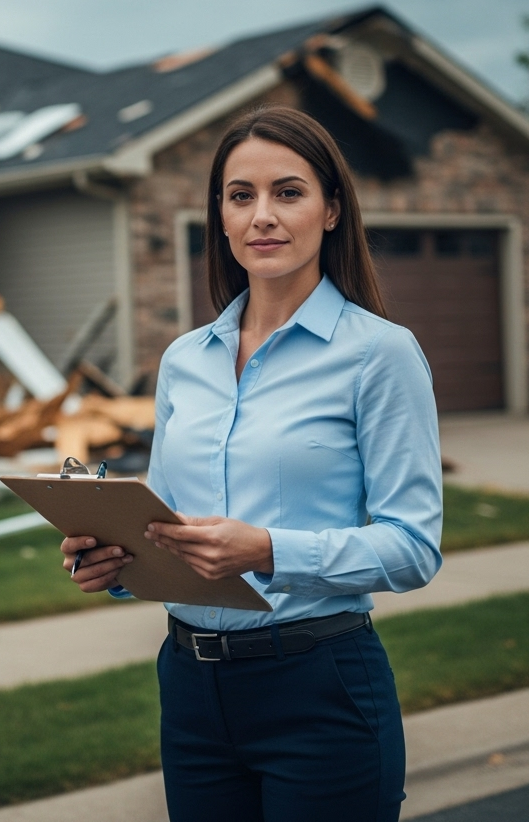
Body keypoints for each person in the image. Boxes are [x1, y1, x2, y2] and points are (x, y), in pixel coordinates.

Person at [61, 105, 442, 822]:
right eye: (242, 196)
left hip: (320, 688)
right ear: (223, 218)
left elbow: (414, 547)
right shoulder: (184, 360)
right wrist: (113, 560)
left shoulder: (379, 354)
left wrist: (267, 550)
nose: (262, 215)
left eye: (288, 192)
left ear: (331, 210)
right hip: (190, 691)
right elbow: (166, 527)